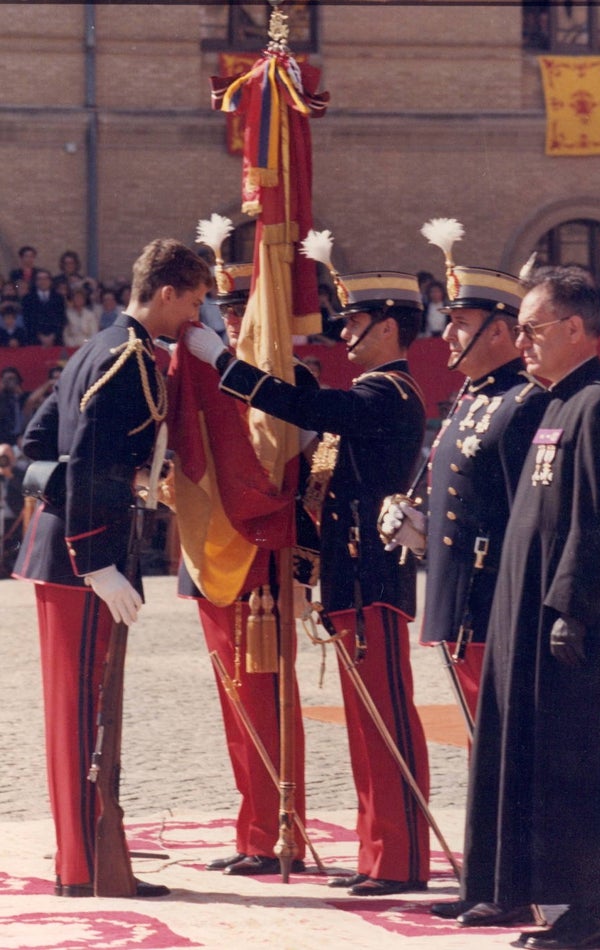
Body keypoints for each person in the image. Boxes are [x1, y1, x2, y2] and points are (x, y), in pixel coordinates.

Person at [185, 261, 431, 898]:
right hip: (350, 575)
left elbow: (300, 404)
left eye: (356, 319)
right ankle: (381, 851)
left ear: (390, 328)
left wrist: (225, 365)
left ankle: (400, 857)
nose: (345, 329)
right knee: (364, 720)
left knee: (384, 720)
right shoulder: (373, 392)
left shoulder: (389, 393)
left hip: (374, 574)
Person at [13, 237, 212, 898]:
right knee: (86, 713)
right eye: (194, 300)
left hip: (60, 550)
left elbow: (36, 452)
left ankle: (87, 860)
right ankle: (87, 869)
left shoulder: (93, 350)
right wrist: (97, 558)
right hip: (83, 560)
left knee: (79, 711)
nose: (197, 316)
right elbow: (92, 456)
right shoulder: (131, 359)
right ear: (166, 293)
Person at [379, 221, 549, 927]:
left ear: (506, 332)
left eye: (464, 325)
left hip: (493, 599)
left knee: (505, 751)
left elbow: (521, 517)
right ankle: (487, 878)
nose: (448, 338)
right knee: (484, 750)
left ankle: (512, 885)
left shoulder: (523, 402)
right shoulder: (471, 400)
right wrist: (414, 524)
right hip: (459, 597)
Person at [461, 265, 600, 948]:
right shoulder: (553, 401)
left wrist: (569, 608)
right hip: (523, 614)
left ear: (577, 329)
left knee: (581, 768)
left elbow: (599, 521)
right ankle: (525, 892)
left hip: (572, 627)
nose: (520, 342)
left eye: (532, 329)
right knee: (532, 759)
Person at [176, 251, 313, 875]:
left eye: (243, 312)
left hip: (265, 561)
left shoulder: (289, 382)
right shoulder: (203, 372)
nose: (232, 323)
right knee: (235, 704)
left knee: (265, 701)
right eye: (225, 311)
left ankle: (276, 831)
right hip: (212, 551)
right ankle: (252, 829)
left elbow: (303, 473)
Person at [22, 269, 67, 346]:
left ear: (50, 281)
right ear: (35, 281)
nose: (43, 281)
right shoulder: (28, 298)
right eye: (40, 279)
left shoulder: (59, 298)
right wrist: (41, 337)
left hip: (55, 341)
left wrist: (52, 336)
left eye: (45, 278)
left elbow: (62, 318)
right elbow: (27, 320)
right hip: (34, 341)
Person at [0, 442, 25, 576]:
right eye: (2, 456)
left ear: (13, 457)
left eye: (7, 456)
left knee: (13, 544)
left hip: (15, 516)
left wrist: (10, 476)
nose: (4, 460)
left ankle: (10, 568)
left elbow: (25, 493)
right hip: (1, 515)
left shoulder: (20, 472)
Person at [0, 366, 29, 445]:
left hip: (21, 436)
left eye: (13, 378)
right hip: (4, 438)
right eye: (7, 379)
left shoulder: (24, 397)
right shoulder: (2, 398)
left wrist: (19, 392)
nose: (10, 382)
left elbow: (31, 402)